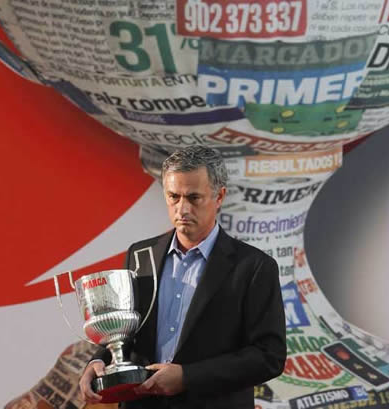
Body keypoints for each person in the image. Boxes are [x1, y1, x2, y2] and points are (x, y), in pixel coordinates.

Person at [79, 145, 286, 409]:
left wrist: (188, 378)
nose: (182, 209)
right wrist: (98, 363)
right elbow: (125, 335)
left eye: (194, 197)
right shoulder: (140, 255)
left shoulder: (255, 267)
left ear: (219, 196)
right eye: (173, 197)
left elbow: (269, 356)